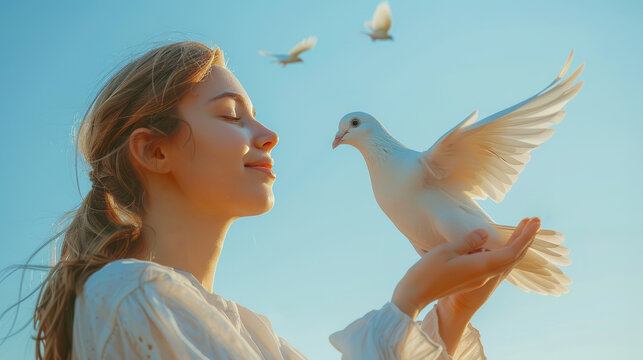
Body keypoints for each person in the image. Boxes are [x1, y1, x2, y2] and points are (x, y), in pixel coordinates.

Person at [27, 41, 540, 360]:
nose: (269, 134)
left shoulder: (252, 333)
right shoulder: (135, 297)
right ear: (155, 150)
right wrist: (404, 304)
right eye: (231, 116)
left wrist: (450, 314)